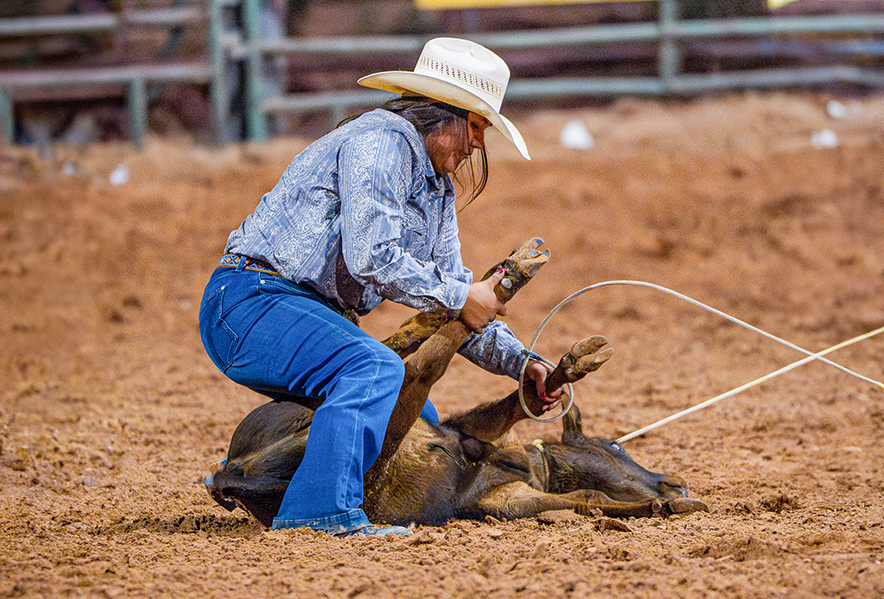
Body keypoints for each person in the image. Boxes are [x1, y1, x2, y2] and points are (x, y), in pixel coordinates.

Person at [198, 37, 562, 538]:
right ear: (444, 114)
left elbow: (461, 300)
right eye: (476, 126)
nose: (478, 143)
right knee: (374, 370)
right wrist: (460, 298)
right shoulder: (383, 141)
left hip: (285, 310)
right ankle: (318, 513)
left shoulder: (433, 188)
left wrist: (523, 364)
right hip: (250, 301)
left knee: (418, 415)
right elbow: (372, 258)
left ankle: (297, 486)